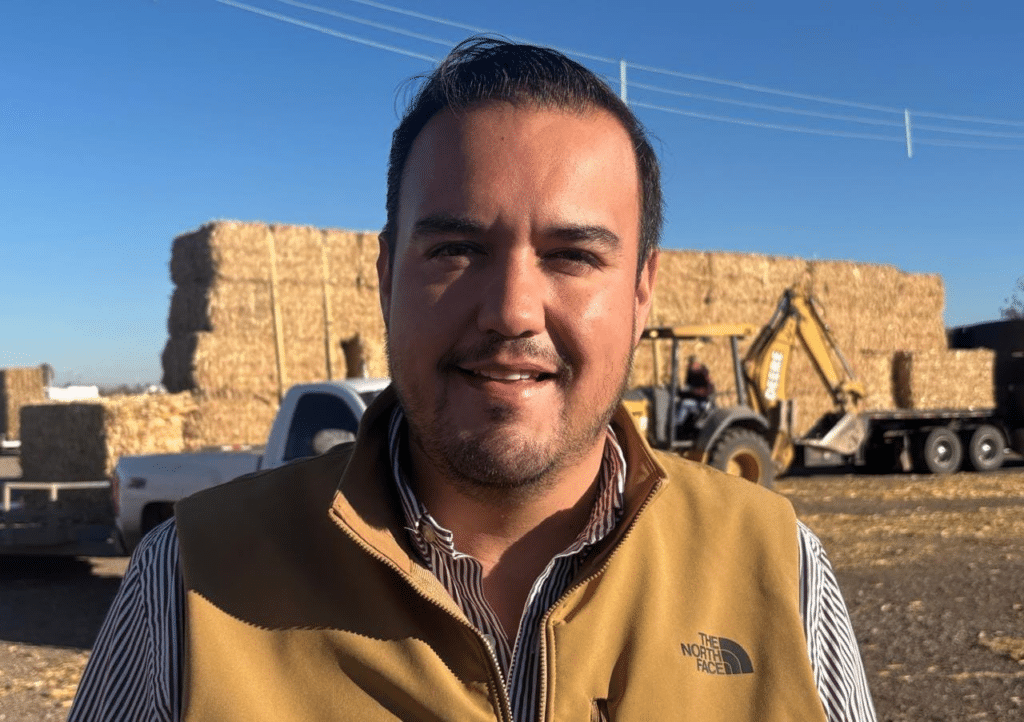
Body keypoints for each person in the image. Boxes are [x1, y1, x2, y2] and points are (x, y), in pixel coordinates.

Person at [69, 37, 876, 722]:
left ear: (641, 292)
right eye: (455, 250)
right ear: (386, 276)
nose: (512, 311)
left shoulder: (779, 571)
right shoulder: (187, 587)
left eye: (572, 256)